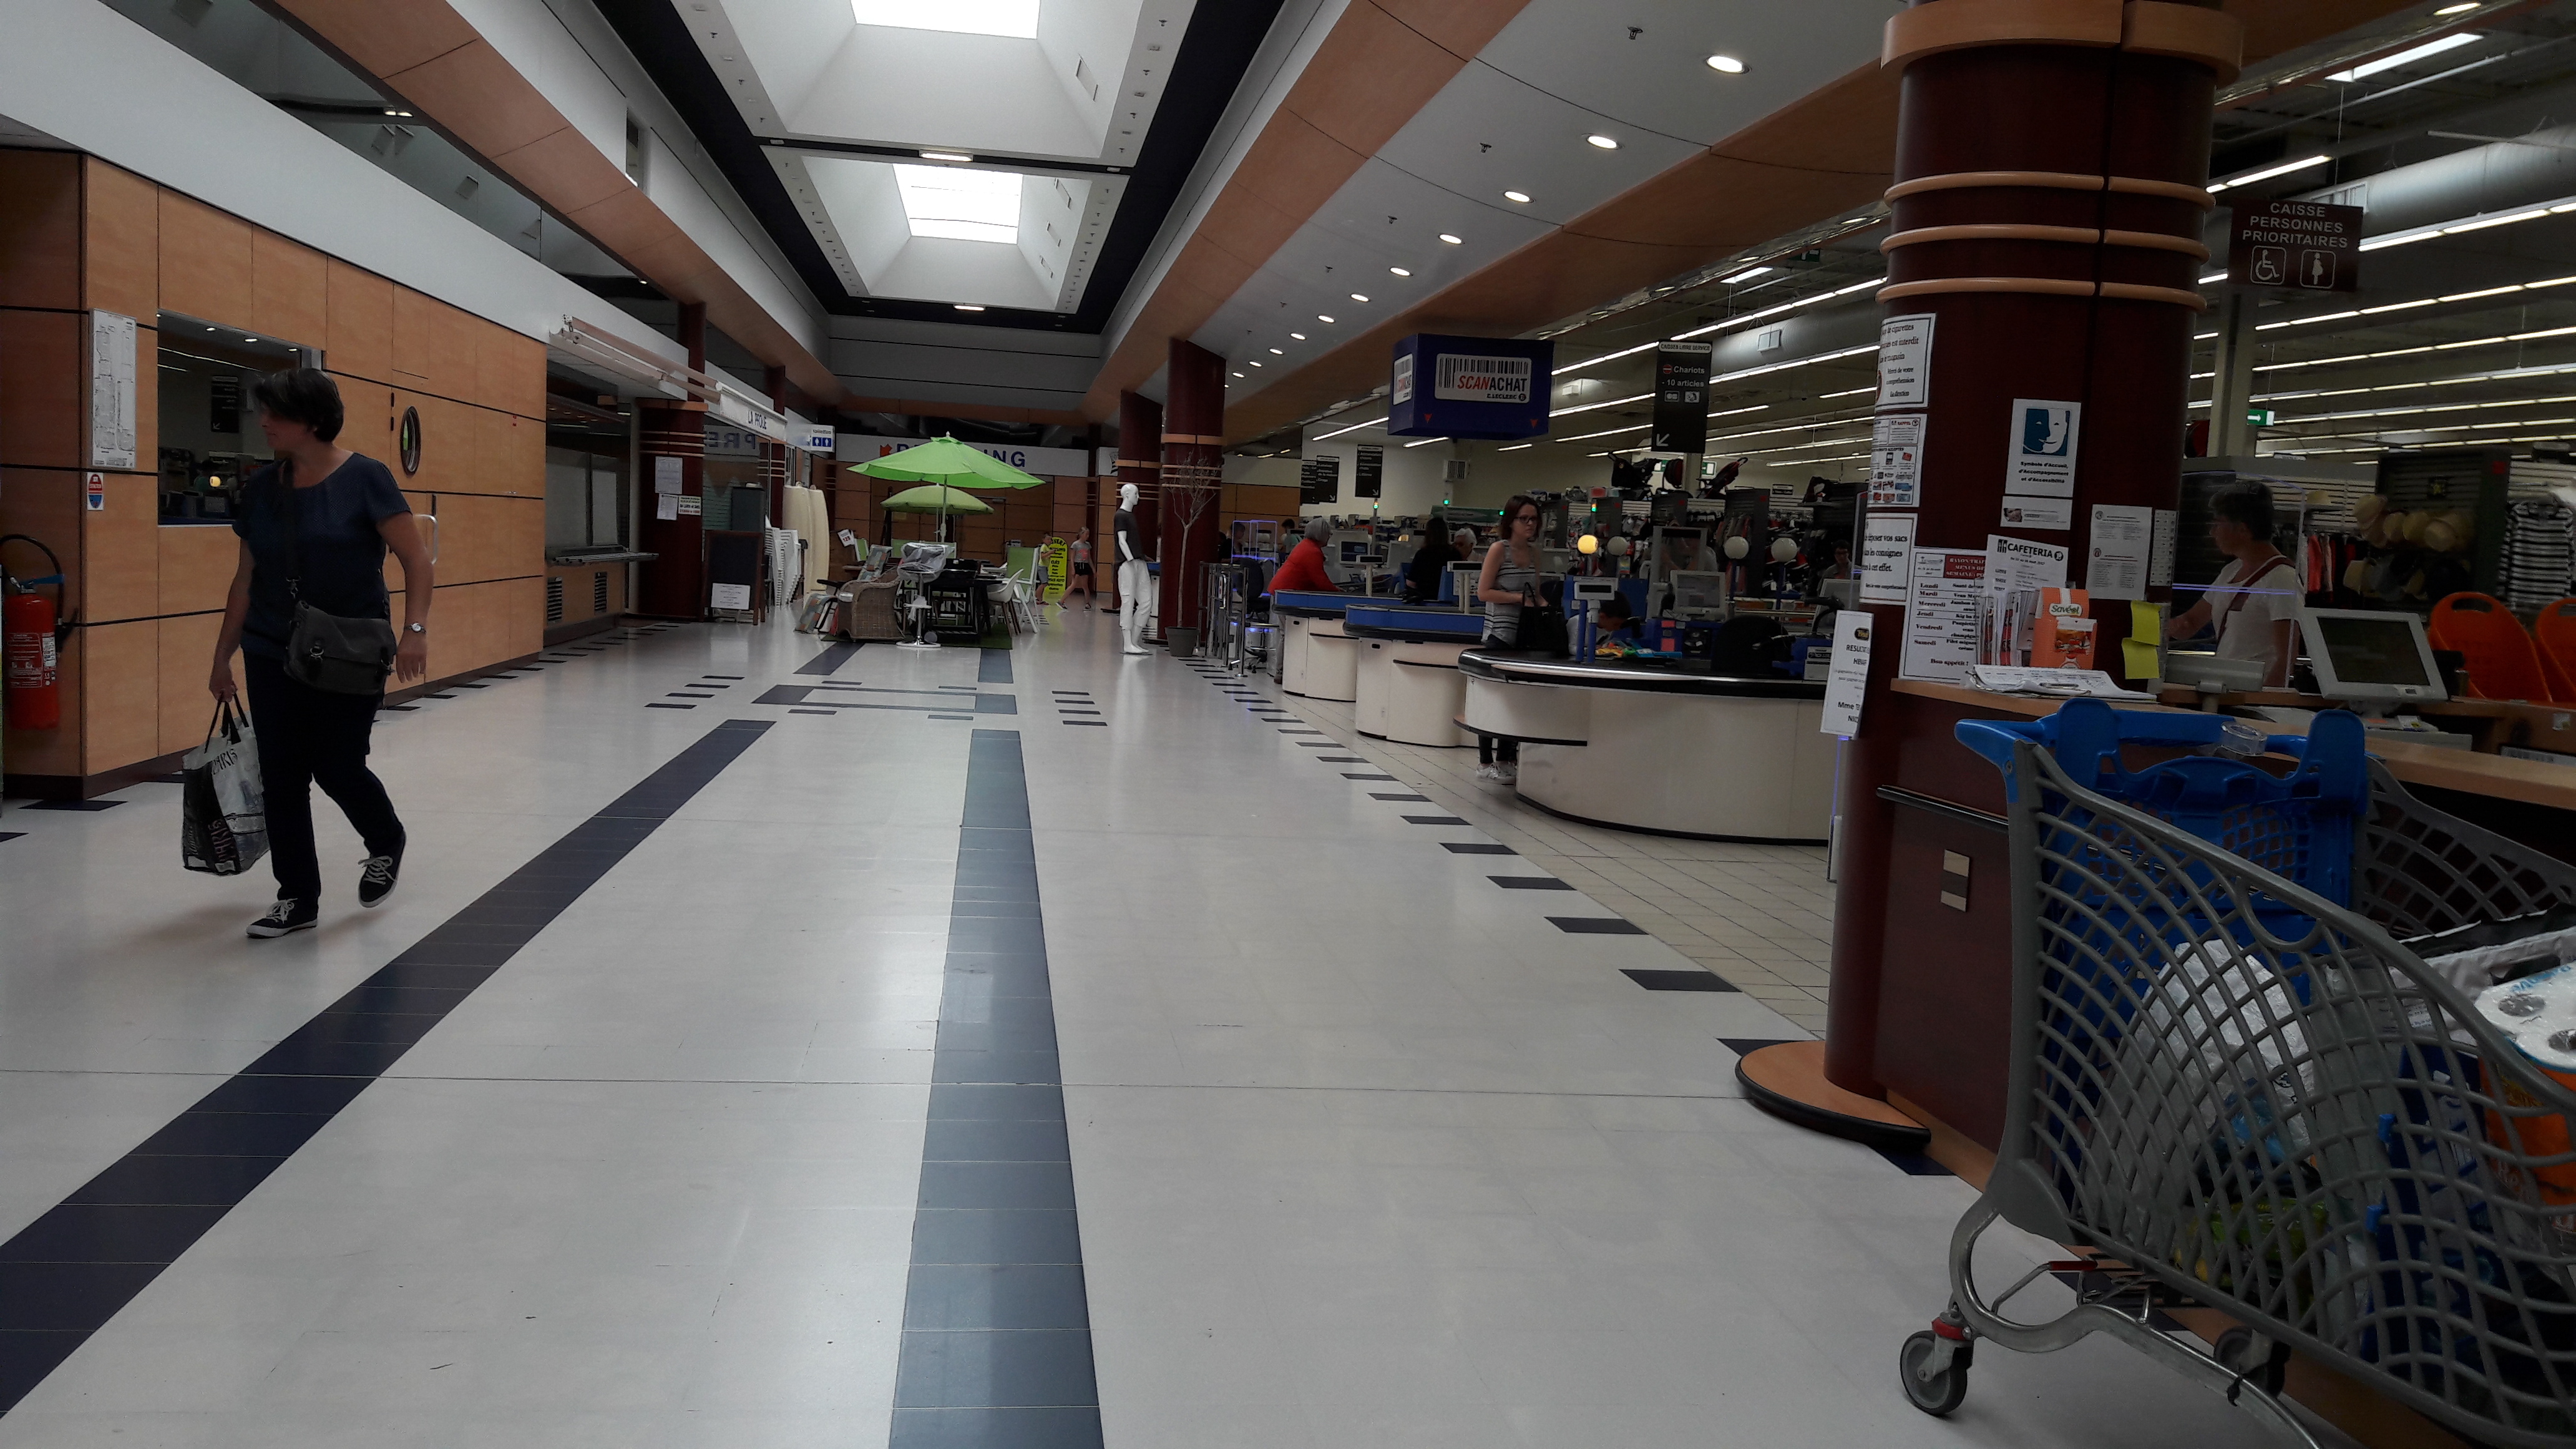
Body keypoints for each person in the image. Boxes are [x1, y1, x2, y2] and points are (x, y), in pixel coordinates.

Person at [209, 368, 432, 939]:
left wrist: (414, 630)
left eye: (275, 413)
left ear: (311, 421)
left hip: (347, 648)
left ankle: (386, 839)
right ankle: (297, 898)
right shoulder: (263, 488)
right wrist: (223, 656)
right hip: (271, 648)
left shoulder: (366, 478)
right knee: (282, 776)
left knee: (338, 766)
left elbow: (416, 559)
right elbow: (245, 578)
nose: (263, 422)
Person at [2165, 482, 2303, 686]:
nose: (2212, 532)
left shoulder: (2282, 578)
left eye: (2218, 524)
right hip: (2224, 688)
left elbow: (2287, 657)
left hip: (2253, 693)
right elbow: (2190, 623)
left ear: (2242, 529)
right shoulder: (2231, 571)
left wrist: (2265, 700)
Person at [1475, 495, 1544, 783]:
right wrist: (1519, 598)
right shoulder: (1498, 550)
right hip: (1498, 635)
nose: (1530, 524)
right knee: (1495, 698)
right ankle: (1485, 761)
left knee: (1515, 699)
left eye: (1534, 519)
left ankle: (1506, 757)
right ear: (1511, 522)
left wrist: (1542, 605)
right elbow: (1483, 592)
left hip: (1524, 635)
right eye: (1523, 519)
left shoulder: (1534, 553)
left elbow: (1535, 591)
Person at [1266, 517, 1341, 595]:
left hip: (1280, 591)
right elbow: (1320, 581)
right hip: (1285, 593)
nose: (1329, 537)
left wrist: (1333, 588)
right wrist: (1337, 591)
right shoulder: (1313, 552)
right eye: (1329, 534)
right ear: (1321, 534)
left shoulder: (1306, 545)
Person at [1402, 525, 1459, 602]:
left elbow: (1411, 582)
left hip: (1423, 600)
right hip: (1450, 601)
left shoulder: (1422, 554)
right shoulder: (1455, 554)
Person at [1068, 526, 1095, 607]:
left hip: (1085, 565)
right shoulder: (1075, 544)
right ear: (1081, 534)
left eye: (1088, 534)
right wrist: (1073, 569)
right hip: (1078, 564)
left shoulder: (1088, 545)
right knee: (1074, 584)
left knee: (1085, 586)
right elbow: (1072, 558)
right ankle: (1062, 600)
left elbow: (1089, 558)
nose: (1087, 536)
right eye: (1086, 534)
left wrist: (1093, 569)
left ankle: (1087, 603)